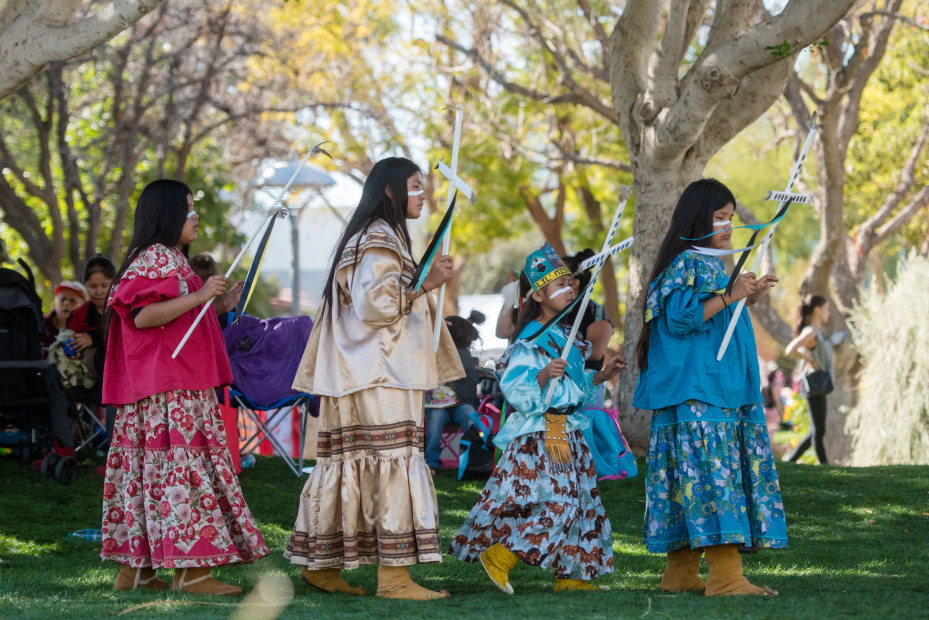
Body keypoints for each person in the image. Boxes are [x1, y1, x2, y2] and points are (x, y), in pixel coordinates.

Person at [284, 157, 463, 600]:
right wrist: (426, 285)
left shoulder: (373, 237)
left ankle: (321, 568)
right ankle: (395, 578)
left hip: (363, 371)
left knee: (348, 465)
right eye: (416, 186)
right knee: (390, 462)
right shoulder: (379, 239)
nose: (423, 195)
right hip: (380, 374)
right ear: (390, 190)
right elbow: (375, 306)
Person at [100, 179, 268, 594]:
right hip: (170, 393)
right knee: (182, 474)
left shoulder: (164, 258)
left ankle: (136, 572)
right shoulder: (158, 257)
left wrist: (217, 304)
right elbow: (142, 316)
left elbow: (175, 321)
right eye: (189, 209)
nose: (196, 217)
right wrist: (200, 296)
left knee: (152, 476)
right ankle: (192, 573)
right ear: (167, 215)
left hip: (163, 389)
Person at [633, 178, 786, 597]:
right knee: (712, 477)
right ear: (697, 217)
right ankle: (725, 577)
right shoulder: (685, 262)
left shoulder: (710, 266)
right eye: (720, 217)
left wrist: (742, 297)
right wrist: (730, 293)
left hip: (717, 389)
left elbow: (711, 314)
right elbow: (681, 318)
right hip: (699, 391)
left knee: (691, 478)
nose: (727, 226)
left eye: (731, 218)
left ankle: (680, 574)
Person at [450, 242, 625, 594]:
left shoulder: (565, 336)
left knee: (581, 501)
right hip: (541, 434)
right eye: (558, 286)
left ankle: (572, 576)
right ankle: (500, 556)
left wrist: (600, 377)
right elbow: (517, 388)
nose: (568, 289)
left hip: (565, 431)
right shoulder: (531, 339)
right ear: (539, 296)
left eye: (569, 284)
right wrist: (542, 375)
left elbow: (573, 385)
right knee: (557, 501)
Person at [423, 310, 485, 474]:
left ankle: (475, 459)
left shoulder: (462, 354)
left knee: (470, 417)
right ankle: (431, 462)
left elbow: (441, 370)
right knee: (436, 418)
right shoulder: (438, 353)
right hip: (440, 406)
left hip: (461, 405)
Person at [784, 294, 832, 464]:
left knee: (817, 430)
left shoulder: (817, 332)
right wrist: (811, 360)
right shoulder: (810, 332)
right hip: (814, 383)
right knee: (818, 431)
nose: (828, 313)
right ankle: (825, 467)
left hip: (821, 383)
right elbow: (790, 350)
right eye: (826, 309)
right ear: (817, 310)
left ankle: (791, 460)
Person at [42, 280, 87, 347]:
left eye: (72, 301)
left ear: (83, 306)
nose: (66, 303)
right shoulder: (41, 323)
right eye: (62, 299)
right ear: (55, 302)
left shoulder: (86, 330)